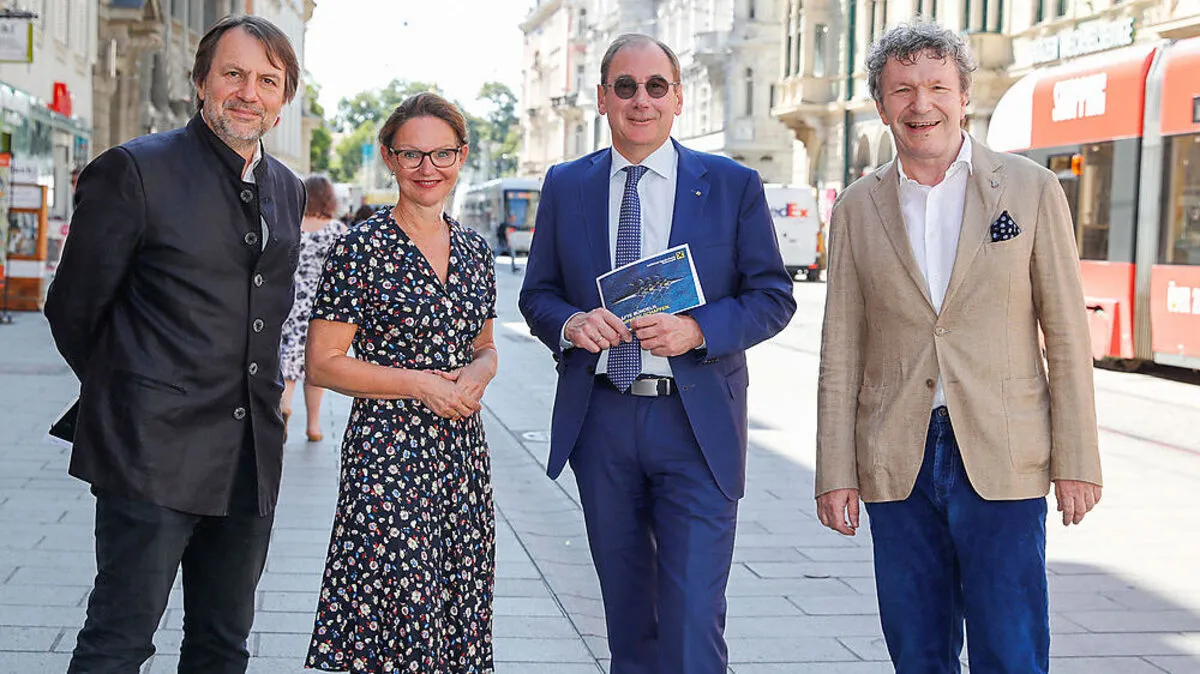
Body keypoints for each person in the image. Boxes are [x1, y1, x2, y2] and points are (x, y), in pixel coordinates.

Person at [815, 20, 1103, 673]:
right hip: (897, 460)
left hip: (1004, 455)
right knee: (917, 652)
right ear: (882, 104)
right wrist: (835, 471)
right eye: (903, 90)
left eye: (937, 86)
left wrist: (1078, 458)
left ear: (965, 95)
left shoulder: (1031, 190)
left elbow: (1065, 331)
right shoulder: (859, 207)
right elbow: (841, 350)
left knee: (1011, 649)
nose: (922, 104)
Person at [519, 34, 796, 674]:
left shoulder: (730, 184)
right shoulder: (566, 185)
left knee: (693, 619)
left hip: (694, 424)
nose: (639, 101)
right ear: (601, 99)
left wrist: (697, 331)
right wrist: (571, 324)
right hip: (604, 422)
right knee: (628, 620)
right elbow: (538, 295)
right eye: (624, 86)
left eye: (655, 87)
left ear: (677, 99)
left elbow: (773, 297)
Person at [43, 14, 303, 673]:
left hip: (249, 462)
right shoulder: (133, 170)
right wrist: (134, 393)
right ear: (200, 82)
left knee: (222, 646)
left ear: (285, 96)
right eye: (233, 74)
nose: (249, 92)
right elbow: (73, 308)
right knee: (118, 643)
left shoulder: (288, 190)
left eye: (267, 80)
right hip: (148, 457)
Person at [304, 92, 498, 672]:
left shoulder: (474, 250)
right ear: (389, 159)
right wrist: (420, 384)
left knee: (454, 599)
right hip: (387, 452)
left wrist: (477, 373)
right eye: (412, 154)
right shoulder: (358, 250)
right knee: (397, 605)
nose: (427, 168)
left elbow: (486, 346)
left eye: (442, 154)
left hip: (460, 454)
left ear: (461, 157)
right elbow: (323, 361)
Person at [280, 174, 346, 442]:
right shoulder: (337, 231)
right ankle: (314, 426)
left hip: (289, 301)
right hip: (319, 306)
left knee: (287, 360)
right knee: (314, 365)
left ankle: (284, 406)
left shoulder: (292, 225)